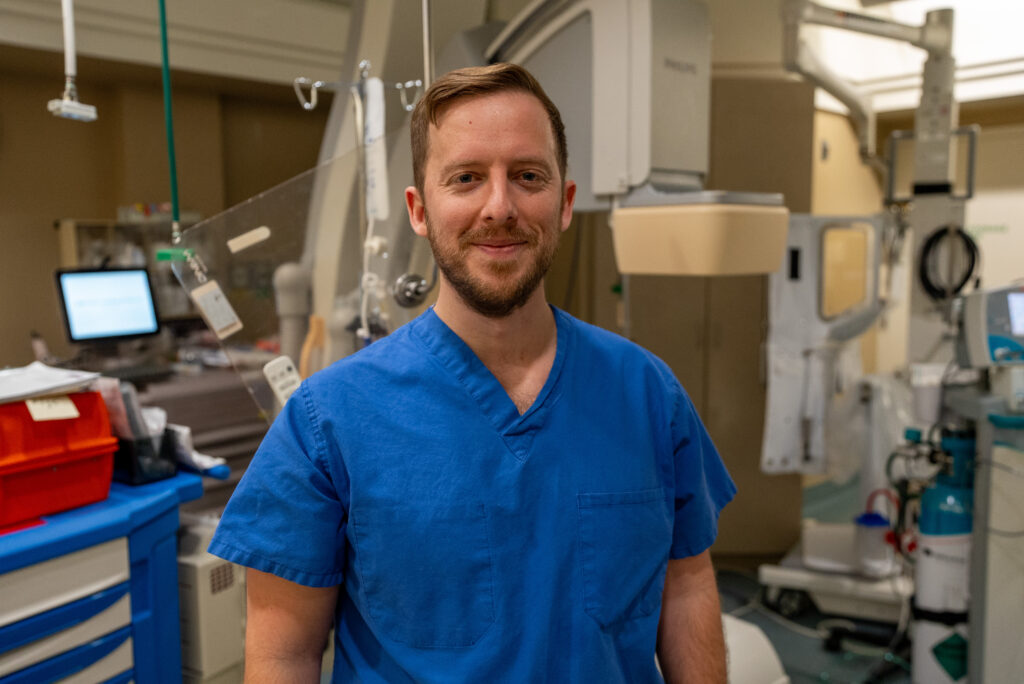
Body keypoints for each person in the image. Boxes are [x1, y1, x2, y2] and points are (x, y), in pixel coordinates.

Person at [209, 62, 736, 683]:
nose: (499, 206)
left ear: (565, 202)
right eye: (465, 178)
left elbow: (687, 587)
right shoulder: (329, 420)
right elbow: (282, 654)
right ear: (420, 210)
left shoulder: (647, 394)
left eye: (527, 176)